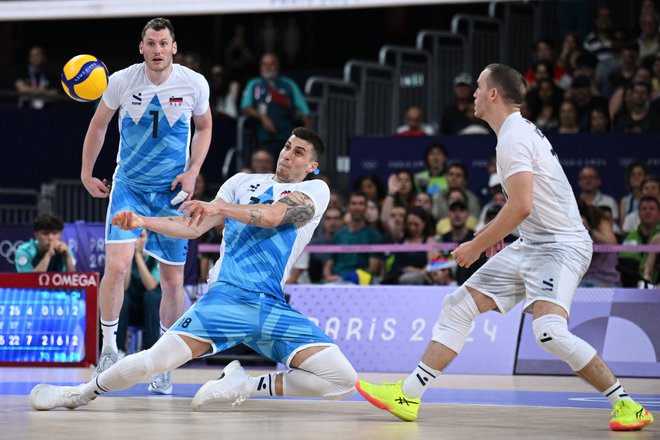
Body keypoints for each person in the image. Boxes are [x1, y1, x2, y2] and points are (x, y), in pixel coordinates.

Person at [355, 63, 654, 432]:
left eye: (479, 87)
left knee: (549, 332)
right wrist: (500, 237)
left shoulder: (514, 136)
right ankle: (408, 393)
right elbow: (527, 208)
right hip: (532, 243)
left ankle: (627, 405)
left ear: (493, 93)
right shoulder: (514, 132)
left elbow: (521, 205)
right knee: (458, 305)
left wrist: (477, 245)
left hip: (561, 246)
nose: (475, 94)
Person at [29, 127, 358, 412]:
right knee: (154, 360)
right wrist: (144, 221)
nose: (288, 154)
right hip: (226, 297)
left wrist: (219, 207)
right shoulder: (242, 182)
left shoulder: (317, 190)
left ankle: (244, 385)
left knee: (343, 380)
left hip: (271, 305)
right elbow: (190, 227)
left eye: (299, 152)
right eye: (287, 146)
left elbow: (272, 216)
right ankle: (77, 394)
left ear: (312, 166)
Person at [78, 17, 213, 395]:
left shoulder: (193, 83)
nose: (156, 50)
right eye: (150, 43)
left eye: (163, 43)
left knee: (172, 281)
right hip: (129, 188)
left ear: (174, 47)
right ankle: (109, 350)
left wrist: (192, 172)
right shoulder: (121, 81)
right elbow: (98, 126)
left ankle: (164, 363)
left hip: (171, 194)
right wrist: (88, 173)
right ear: (141, 47)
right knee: (117, 267)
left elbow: (204, 128)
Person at [241, 52, 310, 156]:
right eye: (265, 64)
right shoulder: (254, 84)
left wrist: (307, 139)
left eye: (271, 64)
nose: (268, 68)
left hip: (287, 137)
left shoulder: (288, 84)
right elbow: (245, 107)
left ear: (277, 66)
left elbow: (305, 112)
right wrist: (263, 117)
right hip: (262, 139)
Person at [116, 230, 162, 358]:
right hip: (130, 311)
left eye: (141, 236)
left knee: (151, 296)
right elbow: (124, 286)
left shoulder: (156, 257)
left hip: (151, 312)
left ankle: (151, 352)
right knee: (122, 297)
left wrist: (138, 256)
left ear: (148, 239)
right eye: (134, 237)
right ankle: (119, 350)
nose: (137, 240)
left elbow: (151, 285)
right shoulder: (124, 258)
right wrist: (130, 256)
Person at [323, 191, 383, 285]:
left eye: (361, 204)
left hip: (361, 283)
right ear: (348, 207)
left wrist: (346, 277)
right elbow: (329, 263)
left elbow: (373, 268)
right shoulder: (339, 235)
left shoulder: (374, 236)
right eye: (354, 203)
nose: (357, 207)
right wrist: (328, 276)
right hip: (336, 281)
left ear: (366, 208)